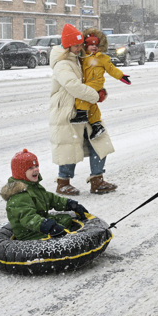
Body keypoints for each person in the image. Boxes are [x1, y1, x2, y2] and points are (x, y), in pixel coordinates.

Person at [49, 23, 118, 195]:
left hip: (86, 108)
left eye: (81, 44)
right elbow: (72, 85)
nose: (81, 48)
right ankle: (63, 182)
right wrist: (95, 95)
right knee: (69, 146)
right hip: (68, 110)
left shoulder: (78, 58)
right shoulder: (62, 63)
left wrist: (100, 89)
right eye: (77, 45)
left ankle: (97, 180)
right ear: (67, 45)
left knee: (99, 141)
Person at [0, 149, 90, 241]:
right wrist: (47, 226)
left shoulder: (33, 187)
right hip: (29, 233)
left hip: (41, 223)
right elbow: (28, 218)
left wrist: (69, 204)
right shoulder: (19, 196)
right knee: (61, 234)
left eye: (36, 166)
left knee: (66, 219)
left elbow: (50, 198)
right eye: (30, 168)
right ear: (21, 173)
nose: (35, 169)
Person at [70, 28, 131, 141]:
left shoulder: (102, 58)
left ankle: (81, 114)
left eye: (96, 45)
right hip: (87, 82)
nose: (94, 47)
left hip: (96, 83)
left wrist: (121, 76)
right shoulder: (83, 57)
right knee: (92, 103)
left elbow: (111, 69)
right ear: (85, 46)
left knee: (82, 95)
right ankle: (97, 125)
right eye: (91, 45)